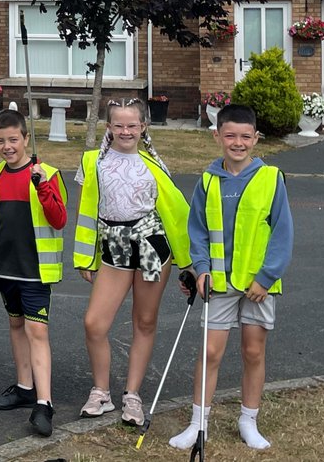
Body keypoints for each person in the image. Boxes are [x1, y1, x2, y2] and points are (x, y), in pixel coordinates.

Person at [169, 103, 293, 451]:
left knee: (253, 351)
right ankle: (198, 424)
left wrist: (266, 278)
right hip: (218, 283)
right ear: (217, 136)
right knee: (210, 352)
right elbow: (197, 231)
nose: (238, 143)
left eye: (245, 136)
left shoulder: (271, 178)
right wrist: (201, 269)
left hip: (257, 285)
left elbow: (282, 233)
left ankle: (248, 420)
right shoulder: (208, 181)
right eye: (230, 136)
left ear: (256, 138)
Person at [73, 98, 192, 426]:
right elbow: (86, 212)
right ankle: (101, 391)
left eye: (132, 125)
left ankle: (132, 395)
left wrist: (190, 263)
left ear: (143, 127)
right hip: (114, 248)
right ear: (108, 127)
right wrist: (85, 257)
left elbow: (176, 214)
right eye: (119, 125)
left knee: (145, 321)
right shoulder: (92, 162)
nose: (125, 131)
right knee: (94, 323)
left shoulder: (153, 166)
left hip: (152, 247)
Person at [0, 109, 67, 437]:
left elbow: (59, 219)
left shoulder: (47, 174)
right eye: (0, 141)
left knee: (37, 332)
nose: (7, 146)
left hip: (35, 270)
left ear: (26, 139)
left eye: (13, 139)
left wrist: (43, 187)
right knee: (16, 325)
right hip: (5, 269)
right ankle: (24, 387)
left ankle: (44, 404)